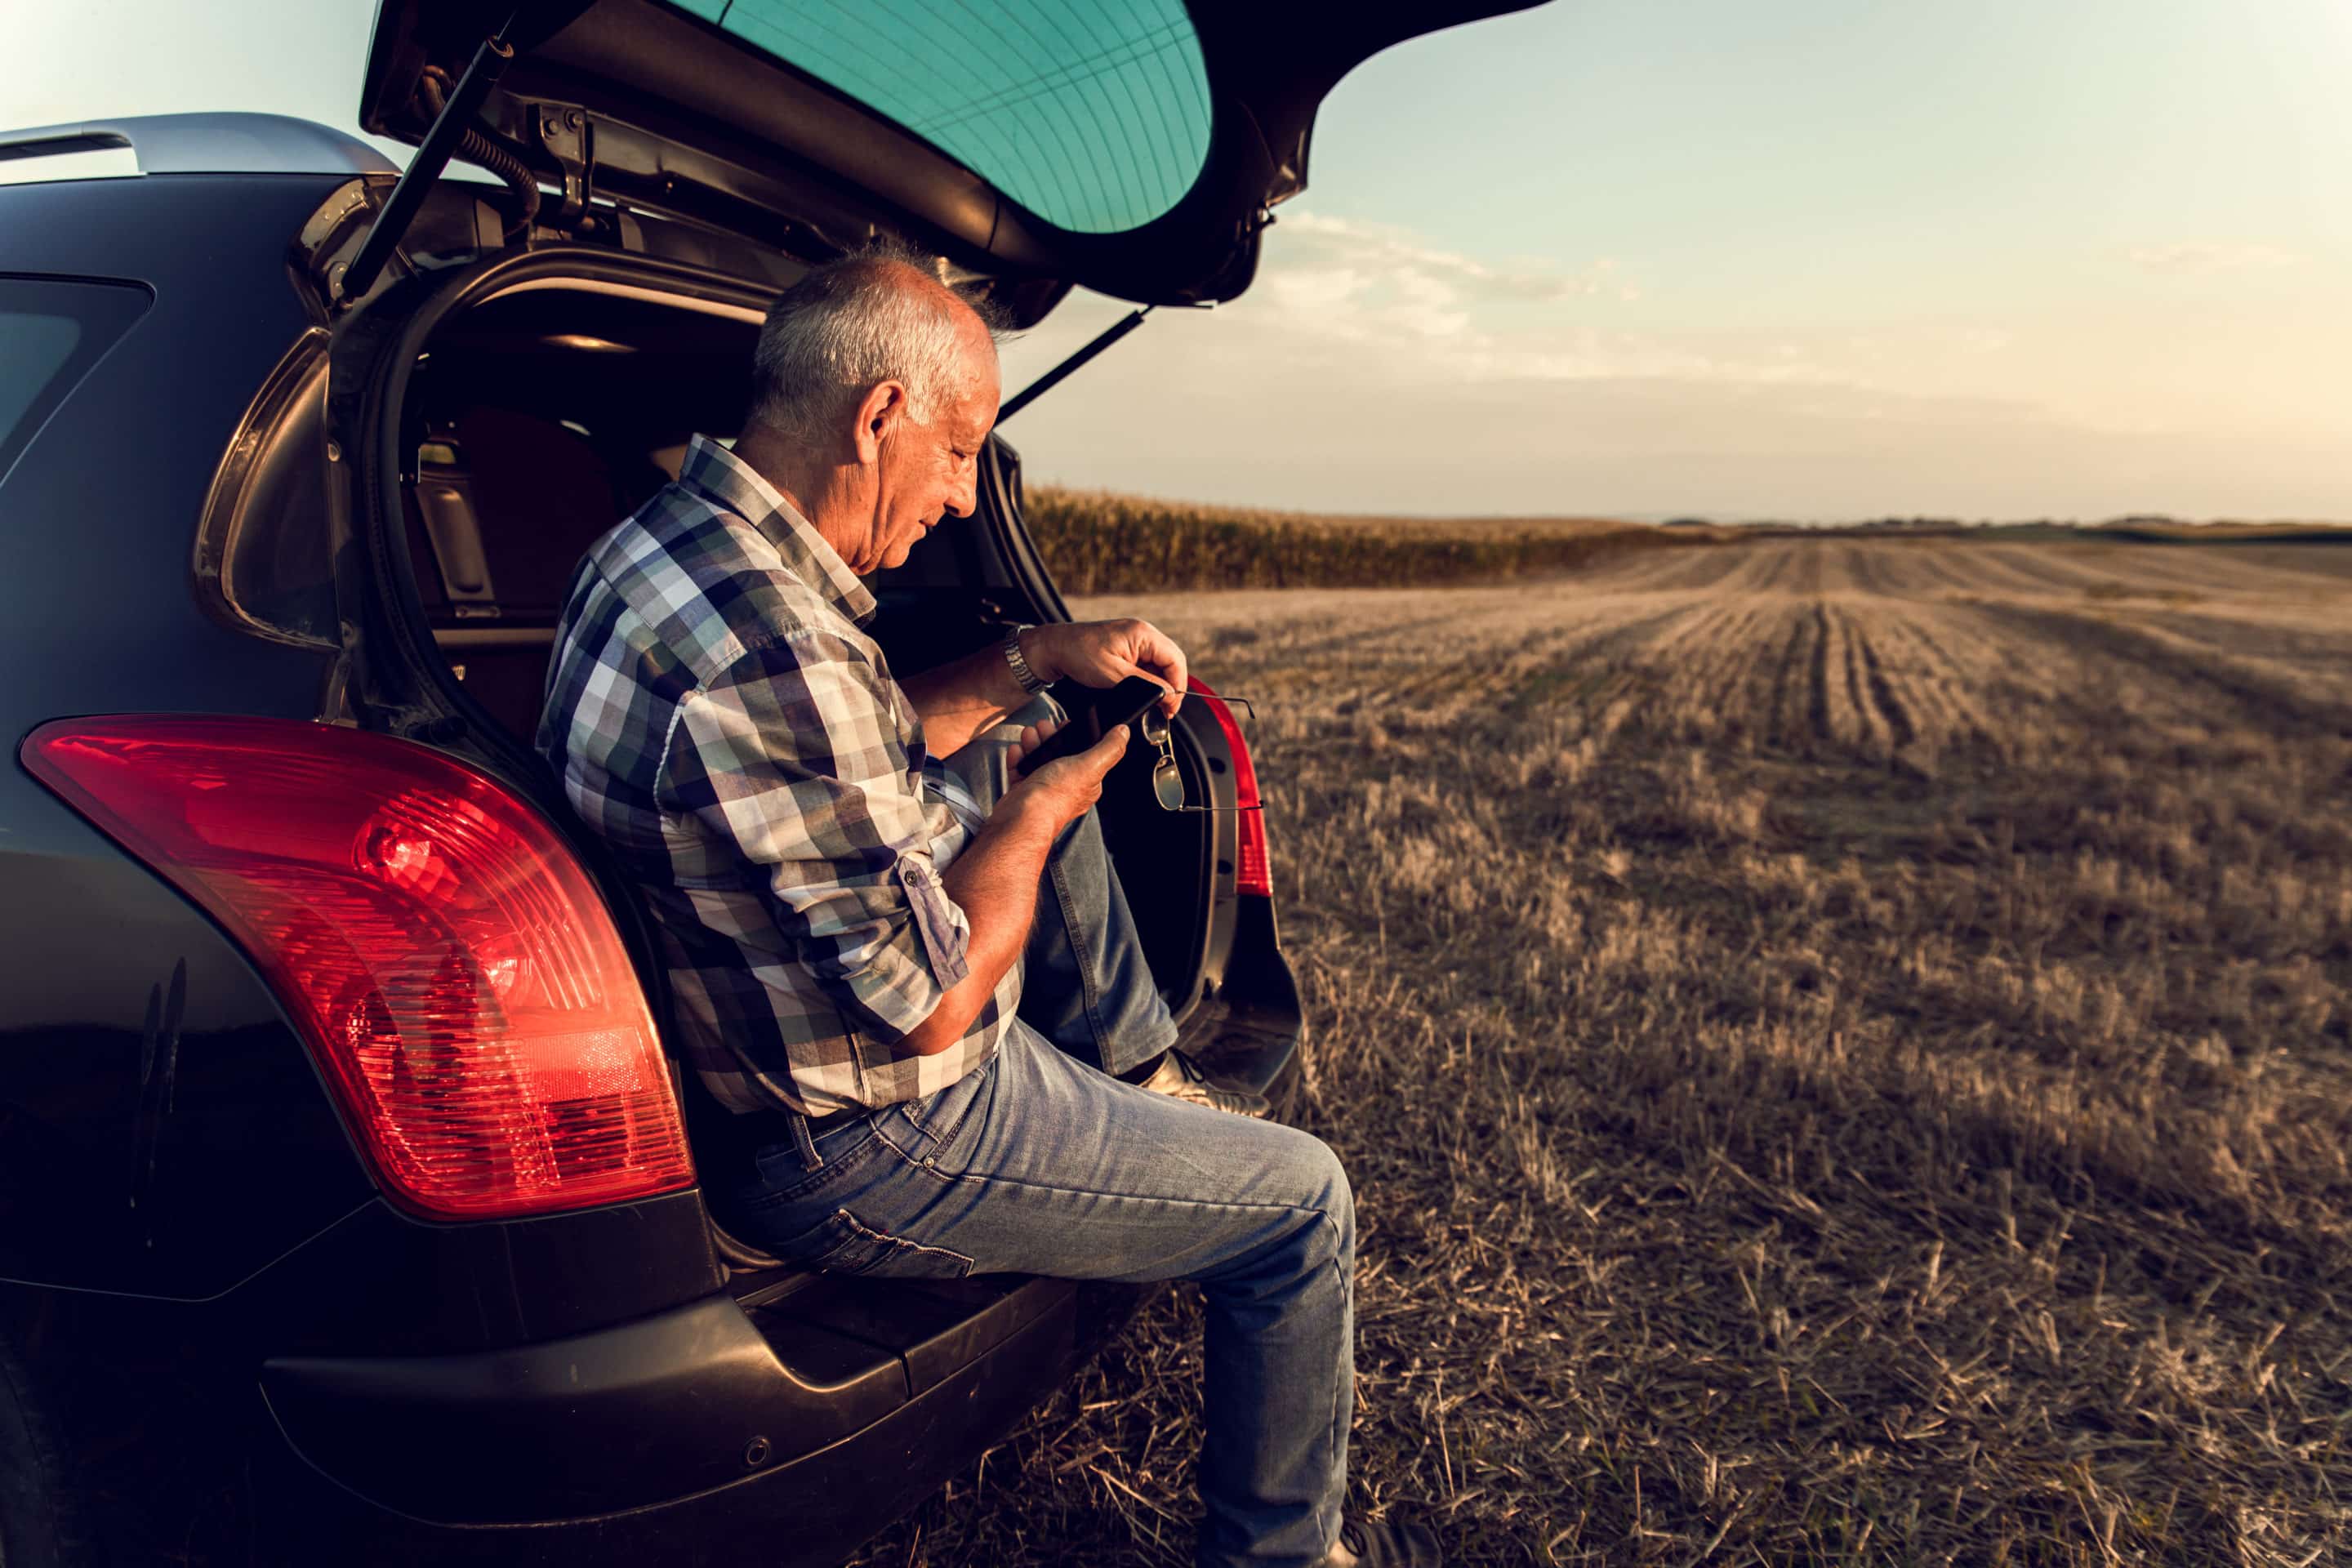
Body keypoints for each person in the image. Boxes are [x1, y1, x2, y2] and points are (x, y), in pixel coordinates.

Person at [537, 243, 1441, 1568]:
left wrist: (1029, 663)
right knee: (1304, 1202)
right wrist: (1034, 816)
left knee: (1008, 744)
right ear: (880, 417)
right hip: (865, 1134)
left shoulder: (667, 552)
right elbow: (931, 1007)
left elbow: (832, 757)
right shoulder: (780, 648)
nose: (964, 500)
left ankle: (1146, 1079)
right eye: (961, 453)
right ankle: (1283, 1555)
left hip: (774, 1021)